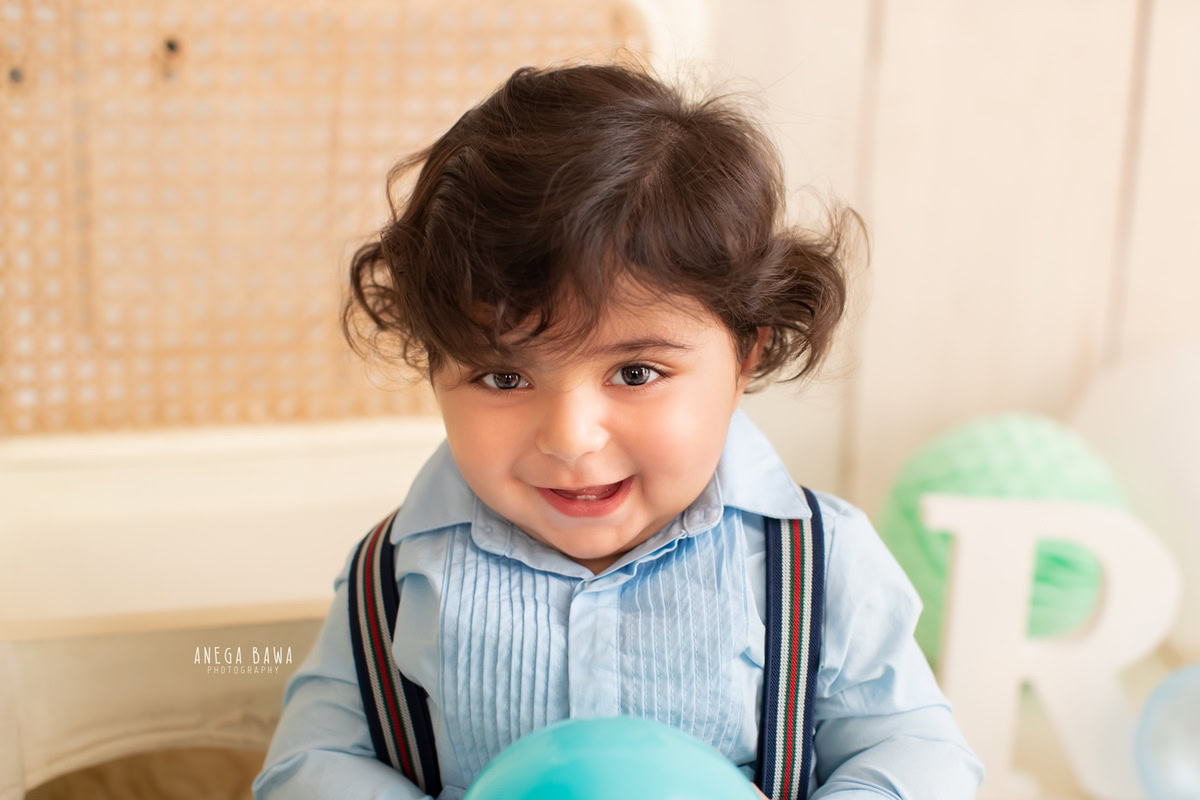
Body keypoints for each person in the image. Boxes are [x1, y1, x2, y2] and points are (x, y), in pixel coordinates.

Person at [253, 59, 984, 799]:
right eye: (504, 378)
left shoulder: (819, 563)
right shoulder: (396, 575)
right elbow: (310, 764)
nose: (570, 439)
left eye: (635, 373)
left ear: (745, 353)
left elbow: (919, 753)